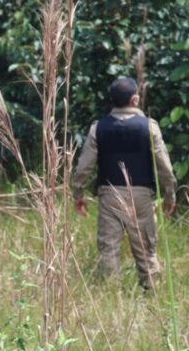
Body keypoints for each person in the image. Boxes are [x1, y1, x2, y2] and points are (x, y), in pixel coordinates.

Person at [72, 77, 177, 289]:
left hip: (109, 195)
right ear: (135, 99)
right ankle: (152, 294)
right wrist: (170, 195)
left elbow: (84, 167)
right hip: (141, 196)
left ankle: (111, 295)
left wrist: (78, 194)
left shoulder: (98, 128)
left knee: (108, 249)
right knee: (146, 249)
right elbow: (164, 167)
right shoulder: (149, 127)